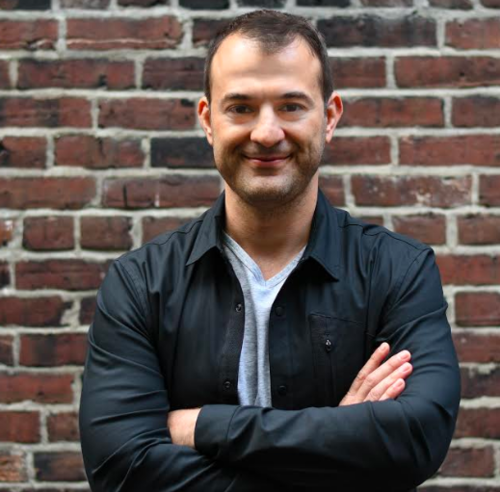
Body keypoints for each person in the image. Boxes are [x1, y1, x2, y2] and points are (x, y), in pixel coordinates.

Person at [79, 9, 460, 492]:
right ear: (208, 120)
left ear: (329, 117)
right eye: (240, 107)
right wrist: (339, 441)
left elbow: (417, 438)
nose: (265, 133)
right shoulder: (141, 284)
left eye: (291, 106)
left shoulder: (397, 271)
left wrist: (205, 426)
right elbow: (121, 470)